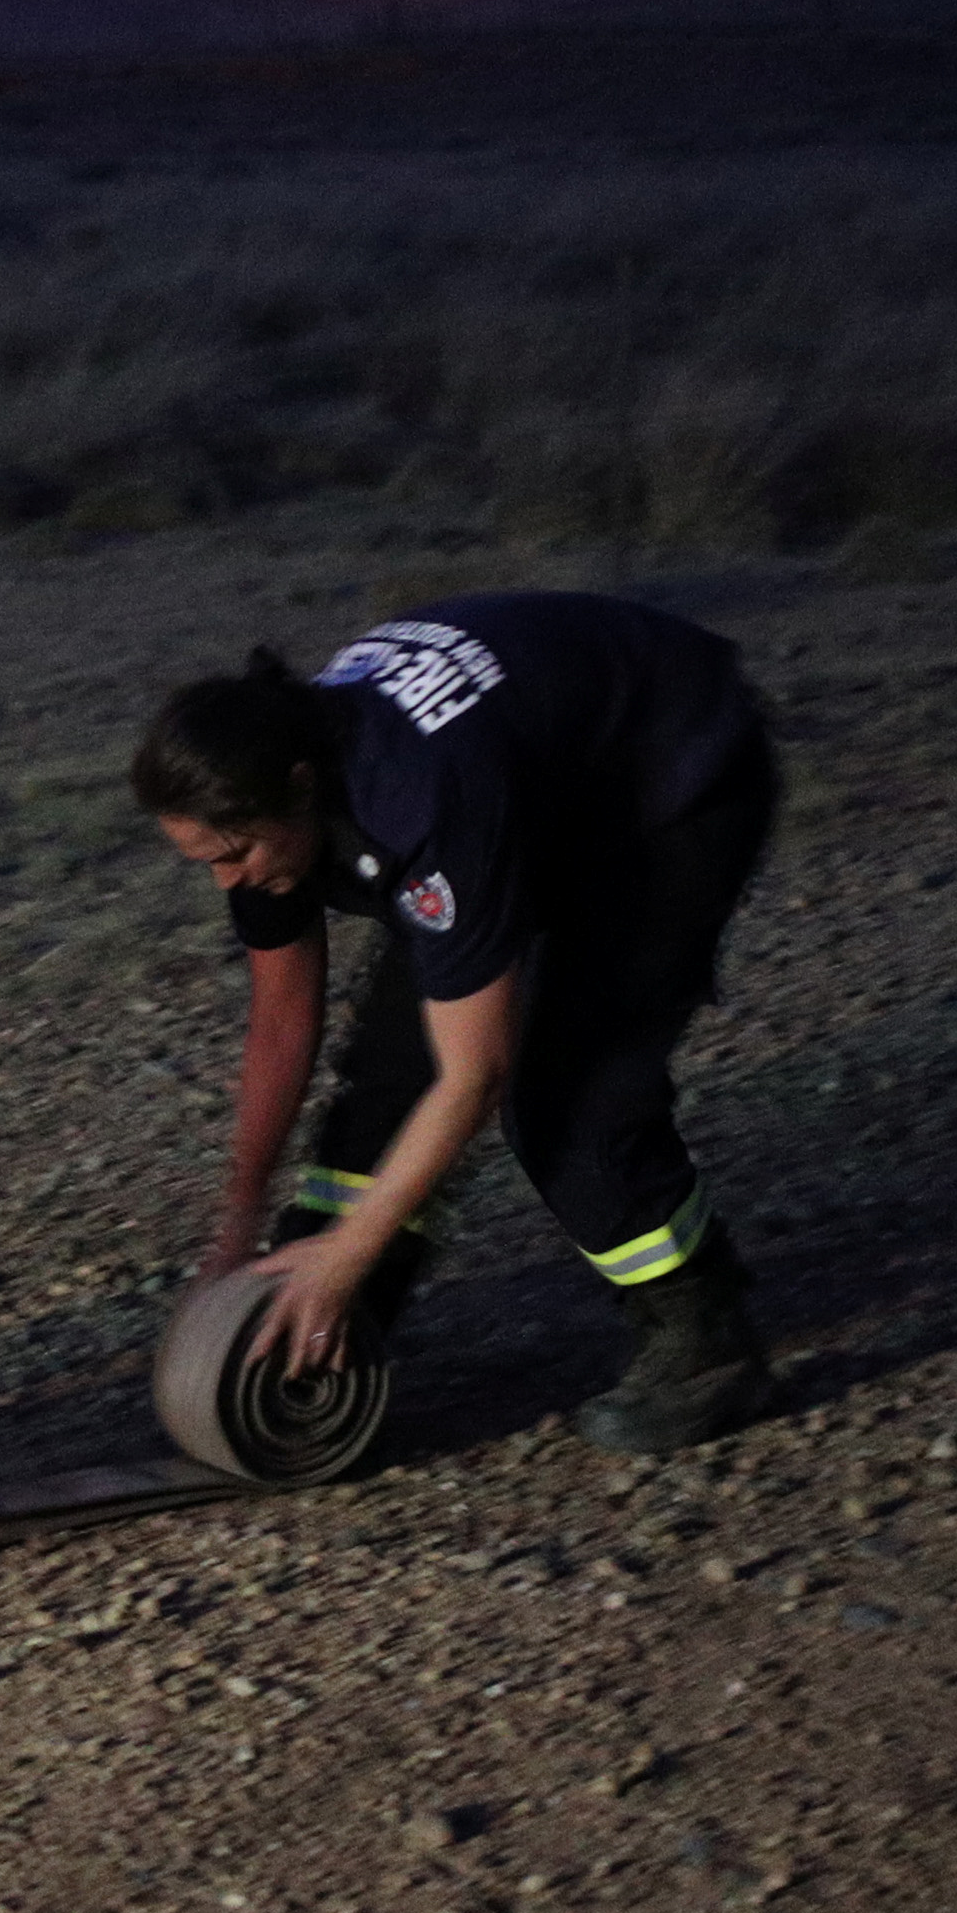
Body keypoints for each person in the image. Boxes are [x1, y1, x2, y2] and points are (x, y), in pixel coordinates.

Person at [129, 590, 782, 1454]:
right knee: (389, 1082)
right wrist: (240, 1218)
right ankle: (320, 1327)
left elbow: (475, 1077)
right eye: (202, 862)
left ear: (300, 791)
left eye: (235, 854)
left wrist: (350, 1250)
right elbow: (284, 1023)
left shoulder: (417, 798)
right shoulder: (272, 809)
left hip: (671, 779)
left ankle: (709, 1345)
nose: (227, 883)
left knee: (567, 1103)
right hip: (536, 779)